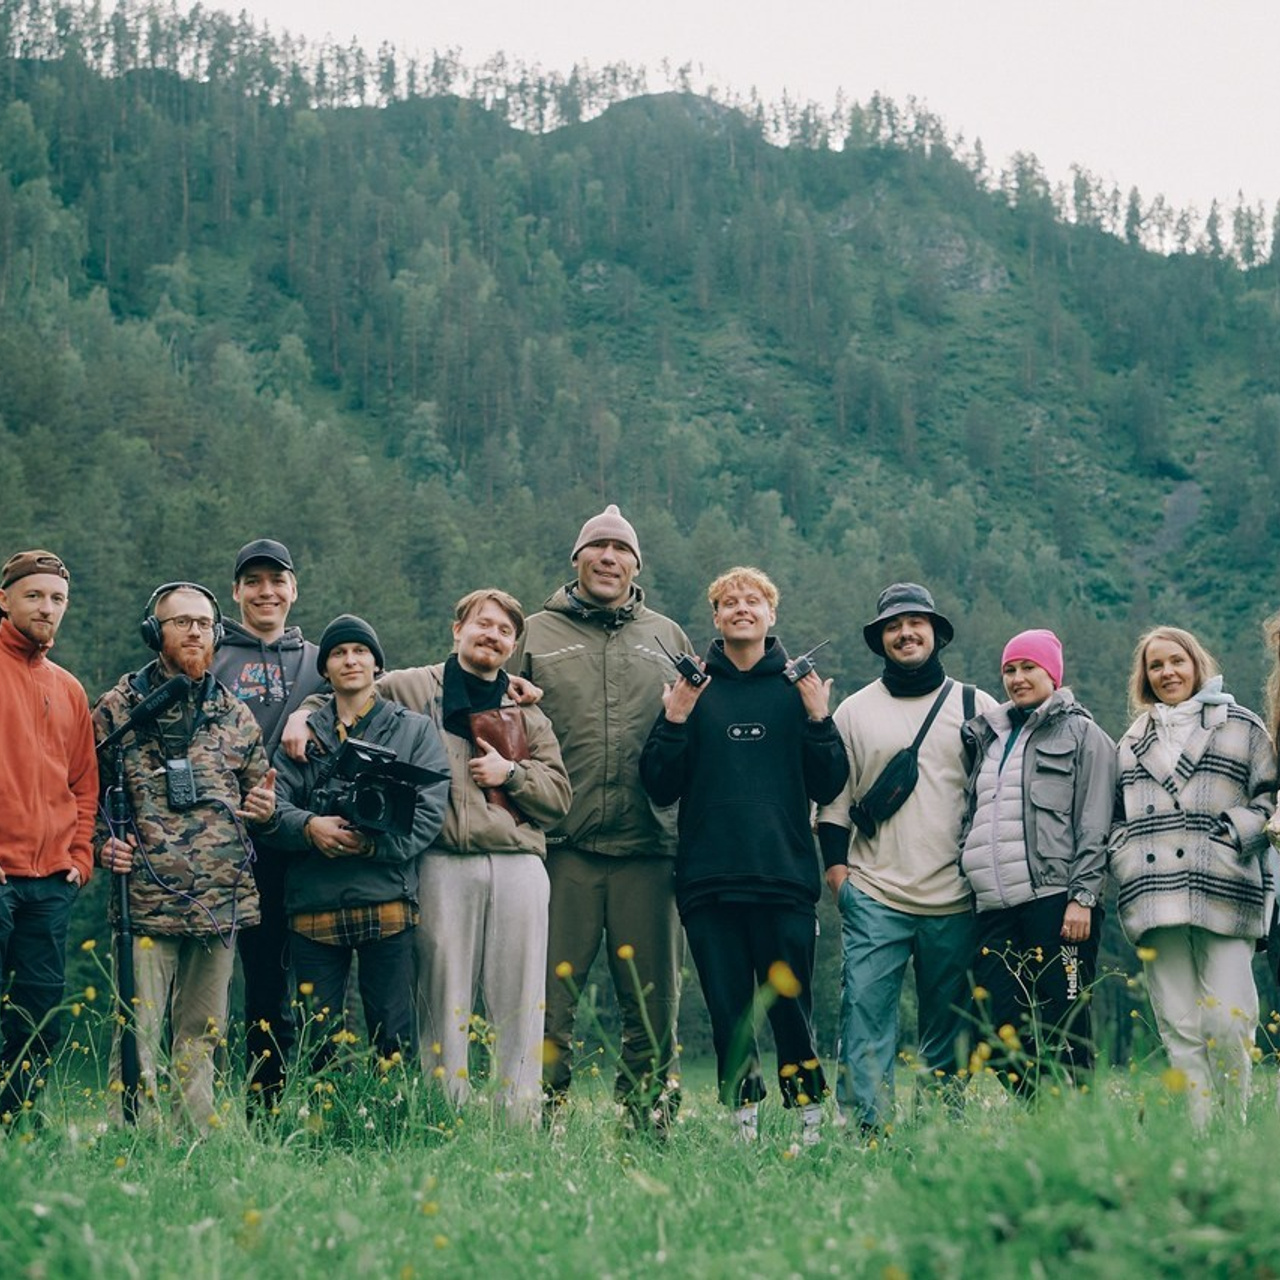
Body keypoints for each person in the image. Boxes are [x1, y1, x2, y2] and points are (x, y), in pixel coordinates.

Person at [640, 568, 847, 1143]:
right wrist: (675, 716)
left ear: (770, 614)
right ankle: (742, 1125)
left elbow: (831, 784)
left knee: (791, 1008)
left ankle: (809, 1120)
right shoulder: (692, 688)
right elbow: (658, 784)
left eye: (752, 600)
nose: (741, 609)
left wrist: (818, 716)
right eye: (728, 602)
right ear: (715, 618)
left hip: (784, 876)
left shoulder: (797, 687)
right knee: (730, 1011)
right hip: (709, 880)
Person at [354, 591, 572, 1124]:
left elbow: (559, 799)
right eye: (483, 625)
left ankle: (516, 1119)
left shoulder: (527, 712)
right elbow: (348, 692)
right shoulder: (409, 688)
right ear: (457, 629)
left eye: (503, 631)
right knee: (439, 992)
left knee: (520, 997)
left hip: (519, 863)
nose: (491, 636)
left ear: (513, 646)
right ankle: (440, 1113)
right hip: (441, 860)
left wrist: (512, 775)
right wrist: (305, 715)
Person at [513, 504, 691, 1128]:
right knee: (547, 1000)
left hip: (649, 848)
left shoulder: (669, 638)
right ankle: (541, 1119)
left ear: (636, 565)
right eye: (598, 548)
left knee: (651, 1003)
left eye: (621, 550)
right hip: (560, 846)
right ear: (577, 559)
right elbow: (492, 720)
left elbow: (691, 738)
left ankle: (648, 1121)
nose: (609, 558)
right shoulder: (531, 634)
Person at [94, 582, 278, 1131]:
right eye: (180, 622)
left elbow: (259, 796)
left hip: (220, 902)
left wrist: (265, 806)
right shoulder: (116, 710)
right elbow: (85, 795)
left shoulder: (234, 713)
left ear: (217, 634)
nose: (194, 631)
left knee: (203, 1030)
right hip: (145, 900)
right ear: (155, 633)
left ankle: (194, 1138)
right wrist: (100, 846)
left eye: (203, 622)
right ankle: (133, 1138)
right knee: (137, 1027)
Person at [817, 582, 997, 1137]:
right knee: (866, 1018)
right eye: (893, 626)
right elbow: (832, 803)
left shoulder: (976, 705)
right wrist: (839, 878)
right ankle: (866, 1133)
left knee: (950, 1026)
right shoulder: (853, 711)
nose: (905, 633)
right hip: (875, 894)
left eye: (916, 623)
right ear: (881, 640)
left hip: (956, 896)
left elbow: (1002, 793)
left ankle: (943, 1129)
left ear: (935, 633)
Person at [265, 615, 449, 1072]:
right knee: (317, 1037)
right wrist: (311, 828)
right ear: (324, 670)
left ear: (377, 665)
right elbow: (270, 807)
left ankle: (394, 1133)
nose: (351, 660)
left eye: (360, 652)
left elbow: (429, 811)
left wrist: (372, 846)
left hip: (386, 897)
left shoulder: (413, 730)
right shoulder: (299, 735)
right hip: (312, 902)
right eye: (339, 653)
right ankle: (322, 1137)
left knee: (393, 1031)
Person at [1111, 626, 1276, 1126]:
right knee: (1179, 1027)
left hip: (1225, 888)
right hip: (1154, 897)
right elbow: (1116, 820)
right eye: (1156, 666)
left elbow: (1268, 797)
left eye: (1176, 661)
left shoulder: (1242, 726)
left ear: (1196, 663)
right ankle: (1201, 1137)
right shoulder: (1131, 742)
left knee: (1228, 1020)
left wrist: (1234, 832)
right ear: (1145, 678)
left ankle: (1233, 1125)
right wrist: (1126, 859)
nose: (1167, 673)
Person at [958, 629, 1115, 1092]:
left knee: (1065, 1025)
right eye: (1009, 669)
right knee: (997, 1023)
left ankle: (1080, 1125)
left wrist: (1083, 897)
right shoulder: (987, 736)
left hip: (1056, 901)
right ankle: (1041, 1113)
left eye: (1029, 668)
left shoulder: (1084, 735)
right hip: (992, 906)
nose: (1017, 678)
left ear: (1052, 674)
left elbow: (1096, 822)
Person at [212, 538, 325, 1111]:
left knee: (272, 983)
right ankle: (192, 1105)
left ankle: (267, 1107)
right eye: (253, 581)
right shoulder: (209, 652)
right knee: (203, 985)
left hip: (285, 847)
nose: (266, 592)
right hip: (210, 848)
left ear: (293, 589)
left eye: (276, 580)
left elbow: (371, 689)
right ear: (236, 592)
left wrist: (307, 710)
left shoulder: (319, 660)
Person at [0, 551, 97, 1127]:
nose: (47, 608)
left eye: (57, 599)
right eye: (34, 596)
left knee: (38, 1016)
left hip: (49, 884)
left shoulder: (69, 689)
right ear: (5, 599)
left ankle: (17, 1126)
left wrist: (80, 856)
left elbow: (84, 783)